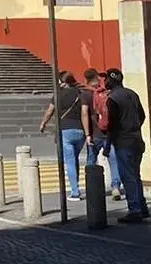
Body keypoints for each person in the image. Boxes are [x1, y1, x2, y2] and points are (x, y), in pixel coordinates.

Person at [104, 68, 148, 222]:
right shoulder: (132, 94)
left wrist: (108, 144)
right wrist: (134, 127)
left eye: (106, 79)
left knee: (128, 176)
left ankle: (135, 210)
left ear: (111, 80)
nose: (104, 81)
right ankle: (142, 207)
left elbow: (112, 124)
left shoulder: (113, 99)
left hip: (123, 142)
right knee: (136, 175)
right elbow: (142, 116)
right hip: (137, 139)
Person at [38, 71, 89, 201]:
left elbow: (50, 111)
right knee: (75, 159)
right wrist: (87, 133)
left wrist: (43, 123)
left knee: (70, 161)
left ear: (63, 82)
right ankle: (77, 186)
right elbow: (85, 112)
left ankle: (75, 192)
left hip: (65, 130)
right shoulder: (80, 93)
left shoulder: (58, 95)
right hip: (80, 131)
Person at [83, 67, 125, 201]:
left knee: (91, 161)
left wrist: (87, 134)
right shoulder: (107, 93)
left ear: (86, 79)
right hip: (109, 133)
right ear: (98, 78)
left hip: (94, 134)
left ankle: (92, 187)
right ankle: (116, 187)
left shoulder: (86, 94)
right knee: (114, 160)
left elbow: (85, 114)